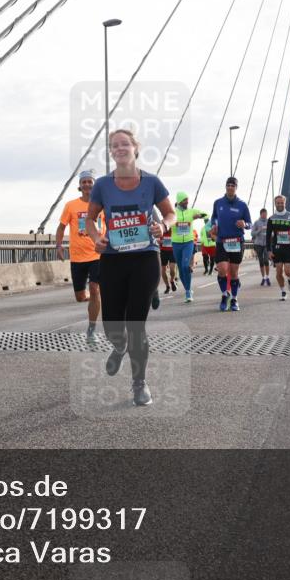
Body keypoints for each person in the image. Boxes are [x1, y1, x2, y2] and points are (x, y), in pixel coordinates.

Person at [86, 129, 174, 407]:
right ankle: (119, 345)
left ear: (136, 148)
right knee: (112, 322)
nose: (120, 148)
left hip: (145, 257)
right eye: (115, 145)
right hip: (112, 258)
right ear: (111, 152)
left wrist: (164, 226)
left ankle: (139, 383)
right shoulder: (102, 185)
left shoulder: (152, 182)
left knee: (137, 324)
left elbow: (169, 212)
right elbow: (90, 220)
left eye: (125, 144)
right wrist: (96, 238)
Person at [56, 170, 103, 344]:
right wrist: (59, 246)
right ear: (80, 186)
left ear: (94, 184)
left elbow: (110, 225)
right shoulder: (71, 205)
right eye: (84, 182)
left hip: (97, 253)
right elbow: (61, 228)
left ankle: (91, 330)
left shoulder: (102, 204)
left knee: (94, 288)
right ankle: (97, 299)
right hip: (77, 256)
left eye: (90, 182)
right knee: (80, 297)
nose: (87, 185)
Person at [210, 176, 252, 312]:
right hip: (222, 240)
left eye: (232, 185)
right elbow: (214, 217)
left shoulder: (242, 205)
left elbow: (249, 224)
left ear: (236, 188)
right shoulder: (218, 203)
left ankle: (234, 299)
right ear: (225, 187)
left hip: (237, 241)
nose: (230, 187)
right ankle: (224, 295)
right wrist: (214, 225)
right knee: (222, 270)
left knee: (233, 273)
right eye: (228, 185)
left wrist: (244, 224)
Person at [171, 192, 208, 302]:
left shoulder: (191, 211)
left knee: (185, 266)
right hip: (176, 243)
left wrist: (198, 216)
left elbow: (206, 214)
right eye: (184, 200)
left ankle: (188, 291)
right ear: (179, 201)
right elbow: (166, 221)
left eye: (187, 200)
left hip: (188, 242)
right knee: (181, 270)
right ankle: (187, 289)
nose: (187, 202)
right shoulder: (172, 213)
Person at [266, 195, 290, 302]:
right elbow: (268, 236)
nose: (280, 204)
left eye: (282, 203)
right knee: (278, 272)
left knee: (287, 271)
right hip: (276, 248)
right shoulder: (271, 218)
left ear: (285, 203)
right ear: (275, 204)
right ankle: (283, 291)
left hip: (288, 247)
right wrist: (268, 251)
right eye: (278, 203)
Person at [251, 207, 271, 286]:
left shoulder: (269, 222)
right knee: (261, 261)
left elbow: (273, 233)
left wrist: (270, 234)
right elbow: (252, 233)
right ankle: (263, 278)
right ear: (261, 214)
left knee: (266, 260)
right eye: (263, 214)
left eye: (266, 214)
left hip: (266, 244)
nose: (265, 216)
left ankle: (268, 277)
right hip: (258, 244)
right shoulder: (256, 222)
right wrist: (259, 230)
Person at [159, 224, 177, 294]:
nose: (167, 228)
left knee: (172, 269)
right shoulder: (160, 229)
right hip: (163, 251)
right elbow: (155, 239)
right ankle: (167, 286)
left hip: (172, 251)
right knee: (163, 270)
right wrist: (159, 242)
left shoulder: (174, 230)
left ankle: (172, 280)